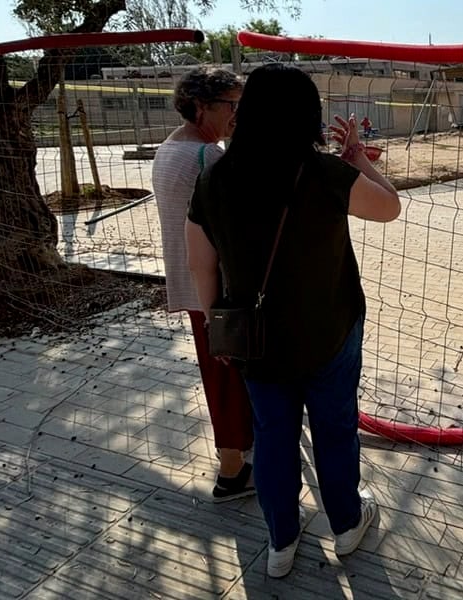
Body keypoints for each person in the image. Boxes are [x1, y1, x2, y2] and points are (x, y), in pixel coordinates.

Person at [185, 63, 401, 578]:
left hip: (254, 341)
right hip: (329, 332)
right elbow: (390, 207)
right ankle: (346, 524)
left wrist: (217, 325)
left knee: (273, 438)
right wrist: (357, 159)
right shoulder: (324, 173)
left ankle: (281, 541)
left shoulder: (214, 178)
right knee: (334, 428)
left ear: (247, 112)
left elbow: (200, 263)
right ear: (308, 115)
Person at [152, 67, 256, 502]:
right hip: (218, 291)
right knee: (228, 378)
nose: (239, 114)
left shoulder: (171, 147)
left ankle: (242, 452)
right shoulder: (207, 158)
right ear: (200, 106)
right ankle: (232, 472)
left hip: (197, 284)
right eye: (232, 105)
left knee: (224, 374)